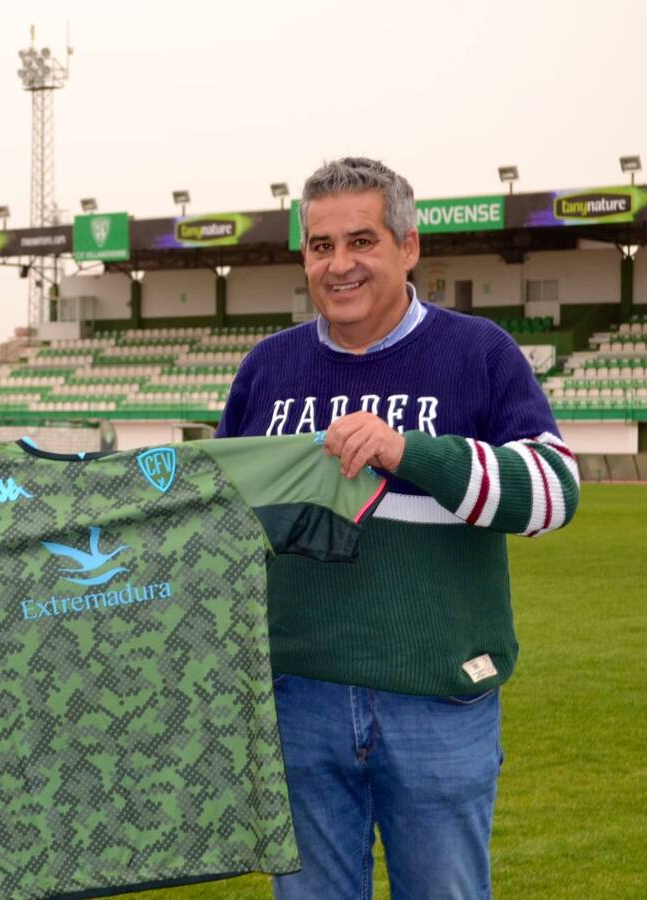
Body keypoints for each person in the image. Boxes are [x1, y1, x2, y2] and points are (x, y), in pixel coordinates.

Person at [216, 157, 579, 899]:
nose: (339, 264)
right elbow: (222, 527)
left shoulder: (479, 353)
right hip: (298, 698)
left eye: (362, 241)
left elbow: (553, 493)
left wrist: (410, 452)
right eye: (321, 246)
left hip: (438, 700)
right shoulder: (267, 368)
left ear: (408, 247)